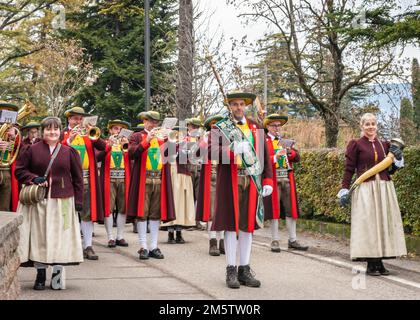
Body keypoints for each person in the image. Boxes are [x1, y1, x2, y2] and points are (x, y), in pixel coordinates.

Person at [205, 92, 273, 289]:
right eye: (234, 104)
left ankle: (244, 269)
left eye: (241, 104)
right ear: (229, 106)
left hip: (251, 180)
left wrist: (267, 179)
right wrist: (232, 149)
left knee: (247, 226)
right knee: (230, 225)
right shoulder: (221, 127)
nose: (238, 107)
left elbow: (265, 156)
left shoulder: (255, 127)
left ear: (246, 106)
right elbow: (210, 151)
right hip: (230, 180)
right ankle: (231, 270)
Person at [15, 116, 84, 290]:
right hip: (39, 201)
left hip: (64, 201)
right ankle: (40, 275)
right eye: (48, 129)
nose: (52, 132)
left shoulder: (69, 152)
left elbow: (78, 179)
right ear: (42, 131)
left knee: (61, 239)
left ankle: (57, 276)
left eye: (55, 129)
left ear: (60, 131)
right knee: (40, 238)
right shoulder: (31, 150)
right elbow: (19, 171)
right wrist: (33, 178)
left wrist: (79, 202)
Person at [338, 113, 407, 276]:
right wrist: (344, 189)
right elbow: (349, 169)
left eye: (373, 124)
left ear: (377, 126)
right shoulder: (355, 144)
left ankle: (380, 262)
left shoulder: (385, 144)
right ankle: (371, 263)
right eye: (367, 124)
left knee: (383, 224)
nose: (370, 127)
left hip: (384, 187)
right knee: (369, 225)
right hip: (365, 189)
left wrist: (398, 158)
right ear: (361, 126)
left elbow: (391, 170)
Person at [127, 111, 176, 260]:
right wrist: (146, 140)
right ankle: (143, 247)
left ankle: (154, 246)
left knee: (155, 214)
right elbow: (131, 153)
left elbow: (172, 156)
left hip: (159, 179)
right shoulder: (136, 136)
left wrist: (171, 142)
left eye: (155, 122)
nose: (153, 124)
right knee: (142, 213)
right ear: (144, 121)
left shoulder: (162, 137)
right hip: (144, 179)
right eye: (150, 121)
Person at [61, 106, 106, 260]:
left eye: (80, 119)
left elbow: (104, 147)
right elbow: (56, 151)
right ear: (69, 119)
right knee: (68, 213)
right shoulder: (63, 134)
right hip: (67, 180)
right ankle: (68, 246)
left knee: (87, 213)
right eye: (75, 118)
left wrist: (93, 133)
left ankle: (88, 246)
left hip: (86, 179)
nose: (78, 121)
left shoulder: (88, 134)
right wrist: (69, 140)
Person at [263, 114, 308, 253]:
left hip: (287, 177)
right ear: (267, 127)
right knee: (274, 210)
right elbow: (261, 160)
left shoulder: (284, 141)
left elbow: (297, 157)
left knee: (291, 210)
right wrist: (274, 158)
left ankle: (292, 240)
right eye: (274, 125)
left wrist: (290, 153)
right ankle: (274, 240)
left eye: (278, 125)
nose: (277, 128)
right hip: (273, 178)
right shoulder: (264, 142)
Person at [97, 120, 131, 248]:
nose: (118, 131)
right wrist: (108, 147)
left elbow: (132, 157)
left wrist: (126, 146)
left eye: (121, 129)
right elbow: (97, 157)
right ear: (110, 130)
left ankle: (120, 236)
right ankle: (110, 236)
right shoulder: (105, 143)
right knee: (108, 208)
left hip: (123, 178)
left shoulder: (126, 144)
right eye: (115, 129)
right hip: (109, 179)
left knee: (123, 208)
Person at [196, 114, 225, 256]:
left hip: (225, 177)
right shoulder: (206, 138)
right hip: (211, 176)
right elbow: (196, 153)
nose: (217, 128)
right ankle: (213, 241)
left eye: (219, 125)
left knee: (224, 210)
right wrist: (204, 140)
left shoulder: (226, 138)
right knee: (211, 211)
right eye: (214, 125)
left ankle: (223, 241)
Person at [161, 126, 196, 243]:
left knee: (183, 204)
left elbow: (192, 158)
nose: (178, 136)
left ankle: (179, 232)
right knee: (173, 202)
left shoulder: (187, 144)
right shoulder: (167, 143)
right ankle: (170, 232)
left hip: (183, 175)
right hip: (172, 174)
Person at [0, 101, 21, 212]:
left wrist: (14, 137)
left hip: (7, 171)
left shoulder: (13, 131)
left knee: (5, 208)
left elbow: (21, 151)